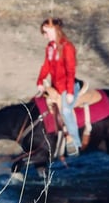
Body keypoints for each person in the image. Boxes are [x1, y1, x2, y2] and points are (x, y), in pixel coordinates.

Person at [35, 18, 82, 156]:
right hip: (55, 87)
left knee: (66, 111)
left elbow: (70, 71)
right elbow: (46, 66)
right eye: (44, 32)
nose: (45, 35)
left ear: (56, 30)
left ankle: (75, 143)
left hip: (69, 86)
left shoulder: (67, 47)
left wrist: (69, 92)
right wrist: (40, 80)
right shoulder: (50, 47)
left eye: (46, 32)